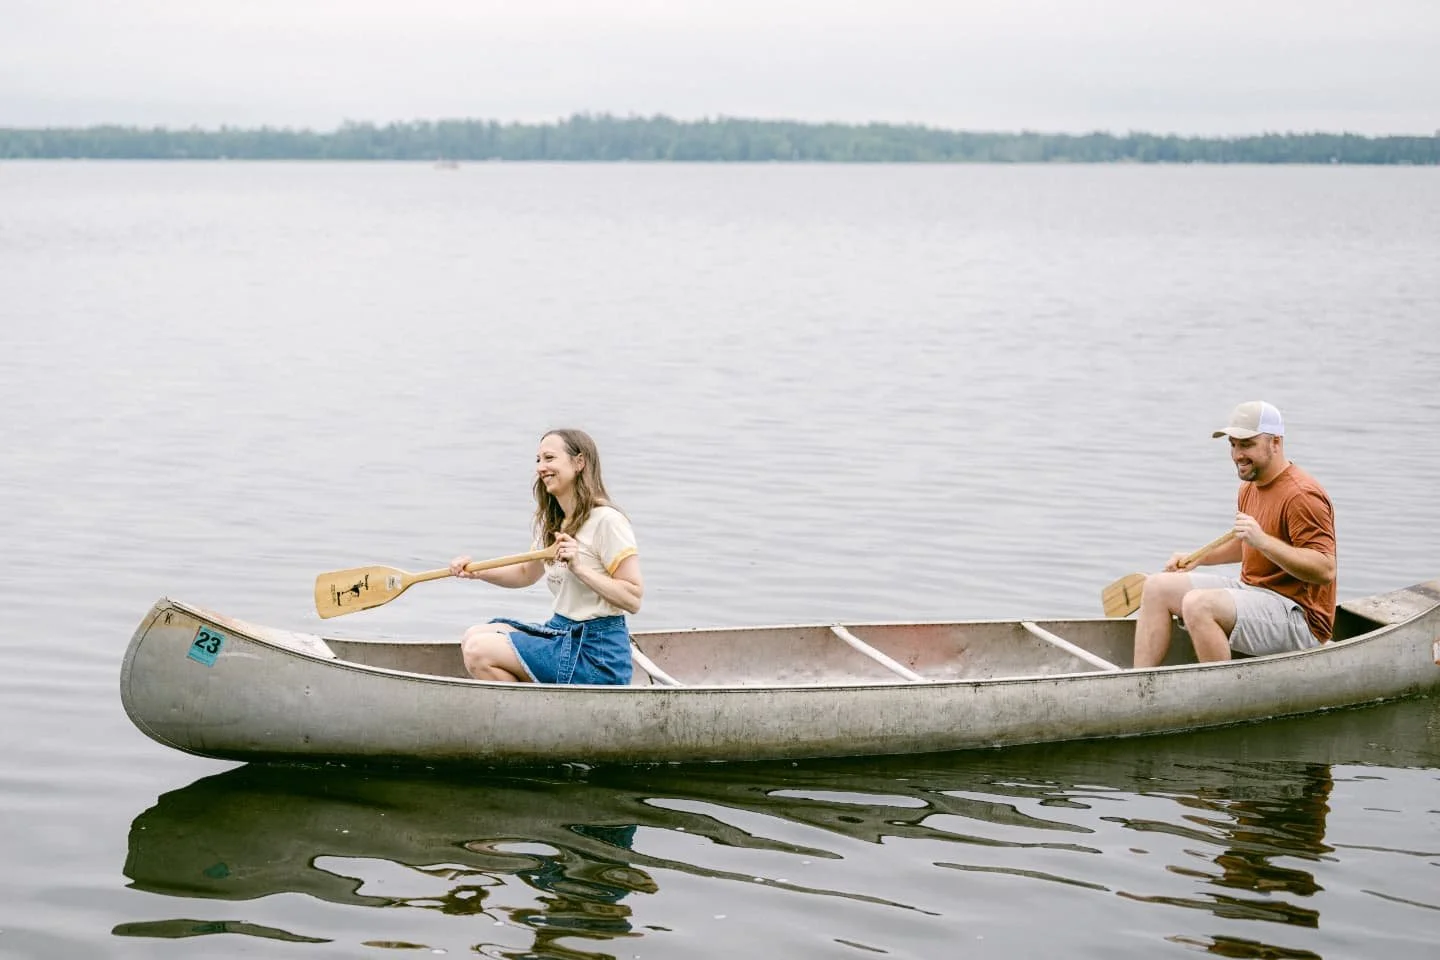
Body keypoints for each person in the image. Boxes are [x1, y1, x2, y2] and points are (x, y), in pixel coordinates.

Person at [1132, 401, 1336, 668]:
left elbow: (1325, 569)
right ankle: (1137, 682)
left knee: (1198, 604)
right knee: (1156, 586)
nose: (1238, 454)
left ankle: (1219, 690)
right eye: (1233, 445)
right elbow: (1247, 545)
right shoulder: (1250, 486)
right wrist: (1198, 558)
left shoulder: (1302, 495)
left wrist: (1262, 540)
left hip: (1300, 620)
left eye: (1247, 444)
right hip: (1255, 593)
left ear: (1275, 442)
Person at [449, 429, 643, 684]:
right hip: (561, 632)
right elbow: (525, 574)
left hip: (597, 654)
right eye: (538, 460)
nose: (541, 467)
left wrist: (579, 568)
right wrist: (476, 571)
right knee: (473, 636)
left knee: (479, 650)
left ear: (579, 462)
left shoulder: (607, 521)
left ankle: (532, 704)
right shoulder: (555, 522)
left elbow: (633, 599)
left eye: (549, 458)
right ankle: (537, 700)